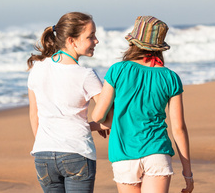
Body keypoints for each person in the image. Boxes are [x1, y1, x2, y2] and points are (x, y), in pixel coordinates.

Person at [92, 16, 194, 193]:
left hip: (124, 155)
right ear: (159, 47)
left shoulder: (118, 70)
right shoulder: (170, 77)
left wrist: (110, 120)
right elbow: (179, 129)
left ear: (133, 43)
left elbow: (98, 115)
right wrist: (188, 173)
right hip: (157, 152)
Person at [27, 12, 109, 193]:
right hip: (76, 152)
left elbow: (34, 114)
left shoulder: (37, 69)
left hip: (43, 154)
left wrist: (47, 143)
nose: (96, 41)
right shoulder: (86, 75)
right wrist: (93, 126)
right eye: (91, 36)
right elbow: (109, 117)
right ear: (72, 41)